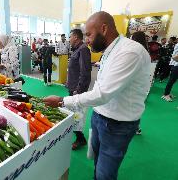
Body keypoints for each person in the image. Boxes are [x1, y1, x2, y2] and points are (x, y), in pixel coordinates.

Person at [43, 11, 151, 180]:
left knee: (105, 173)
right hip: (100, 115)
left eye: (88, 34)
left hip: (118, 124)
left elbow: (102, 93)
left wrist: (62, 101)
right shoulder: (110, 50)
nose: (86, 40)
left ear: (104, 28)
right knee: (97, 162)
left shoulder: (130, 52)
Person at [67, 29, 91, 150]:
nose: (69, 39)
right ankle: (76, 132)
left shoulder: (83, 49)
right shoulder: (77, 49)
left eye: (70, 36)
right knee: (73, 113)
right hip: (72, 87)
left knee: (77, 114)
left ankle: (81, 139)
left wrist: (79, 90)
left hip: (77, 90)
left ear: (76, 37)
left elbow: (85, 73)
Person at [131, 31, 149, 135]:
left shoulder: (136, 51)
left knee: (133, 107)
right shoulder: (145, 51)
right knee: (136, 106)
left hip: (135, 85)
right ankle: (137, 127)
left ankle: (135, 127)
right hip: (141, 85)